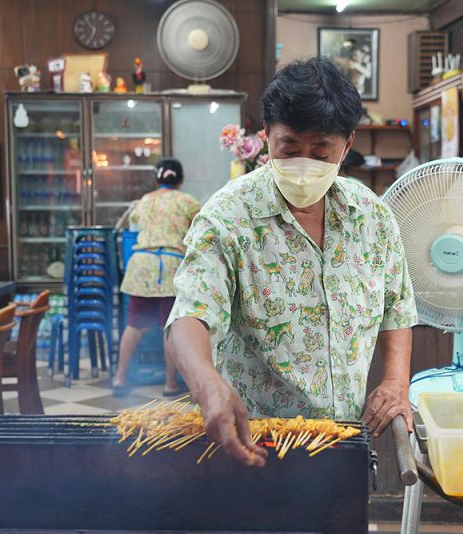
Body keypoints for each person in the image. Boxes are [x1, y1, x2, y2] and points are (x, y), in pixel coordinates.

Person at [165, 57, 418, 467]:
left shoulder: (372, 218)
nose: (304, 165)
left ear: (347, 145)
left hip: (342, 439)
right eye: (289, 149)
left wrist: (394, 381)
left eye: (321, 153)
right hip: (253, 441)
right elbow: (189, 316)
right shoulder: (228, 217)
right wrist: (207, 384)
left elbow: (397, 306)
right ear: (266, 138)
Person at [113, 158, 200, 398]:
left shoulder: (143, 201)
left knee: (134, 325)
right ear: (180, 180)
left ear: (156, 179)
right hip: (170, 266)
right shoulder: (188, 202)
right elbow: (201, 231)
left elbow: (133, 226)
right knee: (170, 328)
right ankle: (170, 384)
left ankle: (120, 378)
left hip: (141, 267)